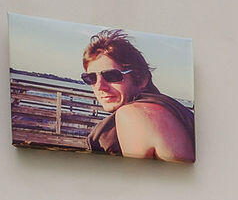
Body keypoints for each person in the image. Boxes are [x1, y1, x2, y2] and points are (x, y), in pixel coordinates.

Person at [80, 29, 196, 162]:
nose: (100, 86)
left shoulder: (133, 114)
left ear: (141, 79)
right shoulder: (171, 111)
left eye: (111, 75)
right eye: (91, 78)